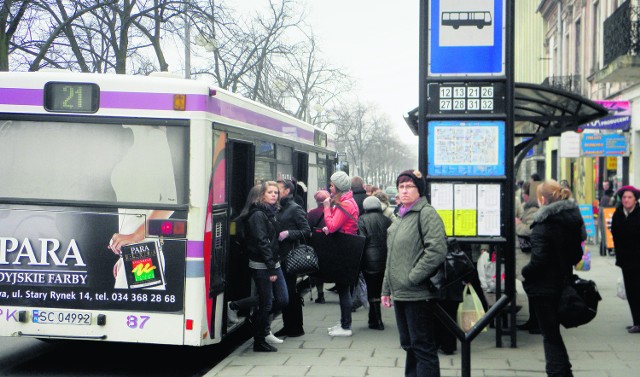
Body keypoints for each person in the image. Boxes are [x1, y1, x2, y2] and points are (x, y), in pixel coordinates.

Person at [382, 169, 447, 377]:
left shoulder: (426, 213)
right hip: (400, 293)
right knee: (409, 345)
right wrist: (386, 288)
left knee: (423, 347)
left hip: (418, 294)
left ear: (419, 190)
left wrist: (413, 277)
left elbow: (436, 250)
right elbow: (392, 257)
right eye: (401, 186)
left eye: (409, 186)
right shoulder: (400, 217)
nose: (404, 191)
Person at [522, 179, 586, 376]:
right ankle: (564, 370)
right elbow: (577, 255)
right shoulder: (572, 221)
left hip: (544, 288)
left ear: (542, 199)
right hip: (563, 282)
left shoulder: (543, 225)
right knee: (554, 333)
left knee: (550, 336)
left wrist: (526, 272)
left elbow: (538, 261)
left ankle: (558, 372)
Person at [234, 182, 288, 352]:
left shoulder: (270, 212)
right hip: (263, 265)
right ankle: (259, 339)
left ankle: (239, 308)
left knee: (281, 299)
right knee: (266, 304)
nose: (274, 195)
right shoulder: (258, 215)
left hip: (273, 262)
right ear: (261, 195)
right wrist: (271, 268)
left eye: (276, 192)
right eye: (270, 192)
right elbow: (262, 242)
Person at [322, 170, 359, 337]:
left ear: (338, 187)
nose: (330, 188)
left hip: (344, 250)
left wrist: (326, 208)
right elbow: (337, 225)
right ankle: (344, 322)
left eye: (331, 185)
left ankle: (346, 326)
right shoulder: (347, 201)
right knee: (344, 289)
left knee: (344, 290)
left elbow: (332, 226)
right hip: (347, 248)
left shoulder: (345, 204)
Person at [274, 179, 312, 338]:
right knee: (286, 292)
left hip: (289, 257)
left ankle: (296, 327)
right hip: (280, 255)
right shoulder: (280, 208)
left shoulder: (294, 209)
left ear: (287, 191)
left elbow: (306, 231)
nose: (276, 192)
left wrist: (289, 233)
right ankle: (288, 325)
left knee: (290, 292)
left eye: (278, 189)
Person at [358, 196, 393, 330]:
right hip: (384, 258)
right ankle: (373, 318)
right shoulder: (387, 220)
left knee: (372, 290)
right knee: (378, 289)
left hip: (368, 260)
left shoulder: (362, 220)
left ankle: (377, 321)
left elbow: (361, 239)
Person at [610, 185, 640, 334]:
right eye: (624, 198)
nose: (626, 200)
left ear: (635, 200)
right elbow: (615, 234)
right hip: (625, 260)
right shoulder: (618, 214)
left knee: (638, 290)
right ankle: (636, 322)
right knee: (631, 292)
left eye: (629, 197)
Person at [515, 180, 541, 333]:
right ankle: (533, 321)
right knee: (530, 289)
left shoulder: (532, 210)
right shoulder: (532, 208)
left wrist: (517, 223)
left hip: (528, 256)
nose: (523, 197)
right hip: (527, 255)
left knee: (532, 289)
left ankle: (535, 322)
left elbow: (530, 230)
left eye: (524, 194)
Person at [307, 190, 330, 303]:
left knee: (318, 270)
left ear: (316, 201)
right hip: (331, 244)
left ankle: (320, 295)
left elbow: (308, 229)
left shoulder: (312, 213)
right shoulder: (333, 211)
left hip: (317, 245)